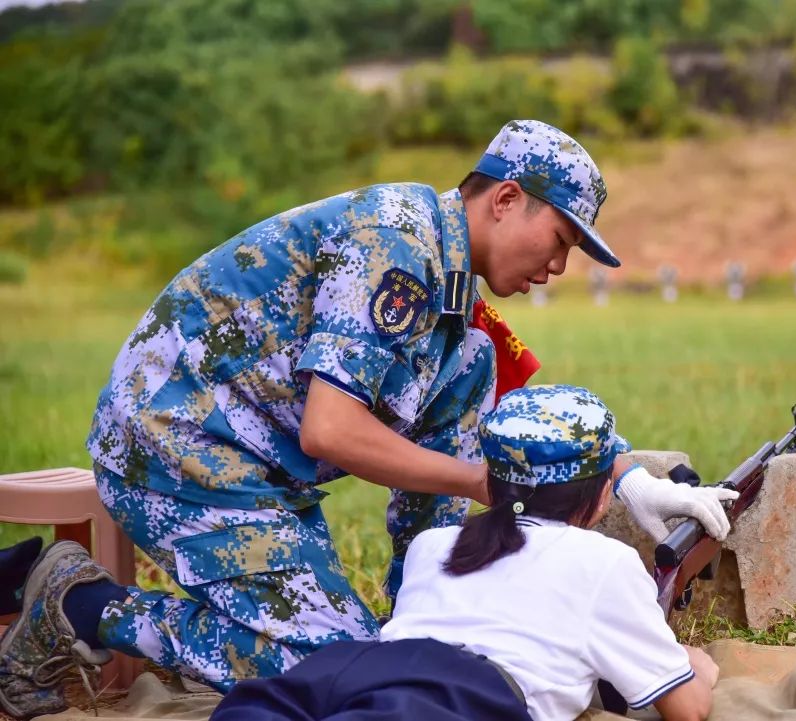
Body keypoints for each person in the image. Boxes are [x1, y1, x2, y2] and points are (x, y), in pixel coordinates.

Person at [0, 120, 737, 719]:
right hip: (174, 448)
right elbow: (331, 429)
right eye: (561, 241)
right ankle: (77, 601)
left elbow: (521, 419)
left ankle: (428, 621)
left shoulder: (449, 282)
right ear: (507, 200)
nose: (559, 268)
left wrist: (629, 475)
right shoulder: (397, 245)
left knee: (471, 370)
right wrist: (478, 480)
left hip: (252, 462)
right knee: (330, 664)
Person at [210, 385, 731, 721]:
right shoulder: (607, 562)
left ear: (492, 479)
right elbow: (686, 708)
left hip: (351, 667)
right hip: (465, 696)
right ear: (598, 496)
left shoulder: (435, 543)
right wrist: (696, 665)